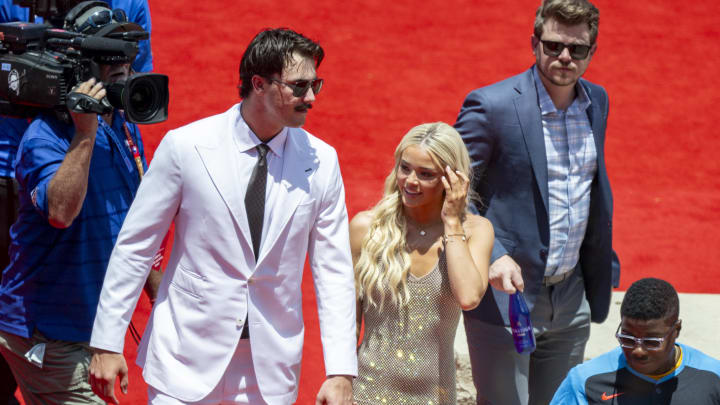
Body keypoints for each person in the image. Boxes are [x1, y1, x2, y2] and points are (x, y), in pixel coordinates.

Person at [88, 27, 357, 405]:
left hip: (270, 371)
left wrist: (340, 371)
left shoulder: (322, 161)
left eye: (315, 85)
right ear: (259, 84)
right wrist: (106, 342)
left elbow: (334, 270)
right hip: (185, 358)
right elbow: (136, 245)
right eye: (299, 86)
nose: (310, 97)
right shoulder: (187, 147)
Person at [454, 0, 620, 403]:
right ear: (534, 43)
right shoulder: (491, 106)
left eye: (577, 49)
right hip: (506, 298)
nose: (565, 56)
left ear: (592, 52)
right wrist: (492, 252)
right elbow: (454, 191)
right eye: (553, 45)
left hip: (571, 296)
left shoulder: (596, 102)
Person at [0, 3, 155, 403]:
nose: (123, 72)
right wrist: (84, 131)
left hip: (89, 330)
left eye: (127, 60)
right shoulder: (44, 138)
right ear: (83, 70)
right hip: (48, 335)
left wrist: (164, 301)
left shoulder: (121, 125)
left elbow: (140, 223)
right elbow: (61, 212)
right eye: (110, 63)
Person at [350, 122, 493, 404]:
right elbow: (349, 322)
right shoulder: (366, 229)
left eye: (426, 174)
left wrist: (452, 223)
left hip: (436, 396)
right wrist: (339, 381)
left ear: (452, 180)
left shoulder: (475, 231)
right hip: (366, 392)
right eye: (405, 168)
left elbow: (468, 297)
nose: (410, 181)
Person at [551, 278, 720, 404]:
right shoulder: (584, 381)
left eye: (651, 342)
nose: (638, 351)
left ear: (676, 330)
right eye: (628, 338)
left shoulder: (713, 378)